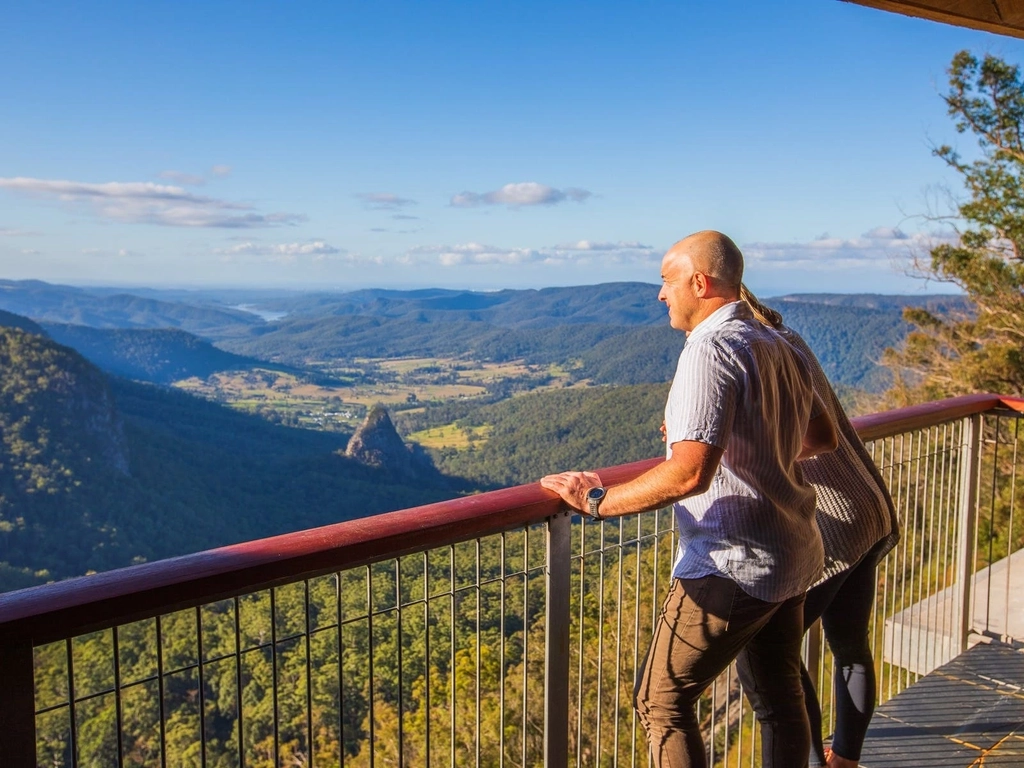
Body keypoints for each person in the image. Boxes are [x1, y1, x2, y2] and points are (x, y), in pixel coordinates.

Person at [541, 230, 838, 768]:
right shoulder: (779, 342)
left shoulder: (711, 348)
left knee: (661, 704)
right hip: (791, 551)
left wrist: (596, 500)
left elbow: (687, 476)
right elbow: (821, 437)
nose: (660, 295)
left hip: (732, 564)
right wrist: (741, 439)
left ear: (700, 282)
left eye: (666, 281)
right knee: (780, 701)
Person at [737, 286, 900, 768]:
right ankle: (844, 759)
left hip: (834, 516)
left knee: (773, 652)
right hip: (867, 502)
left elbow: (780, 437)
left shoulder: (750, 349)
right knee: (849, 642)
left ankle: (808, 761)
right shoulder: (784, 336)